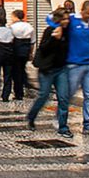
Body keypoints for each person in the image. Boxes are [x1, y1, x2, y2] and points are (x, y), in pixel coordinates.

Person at [49, 0, 89, 136]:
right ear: (82, 10)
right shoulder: (73, 20)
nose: (88, 16)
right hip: (74, 64)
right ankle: (60, 119)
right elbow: (50, 18)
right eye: (87, 13)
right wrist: (58, 27)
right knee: (68, 94)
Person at [26, 8, 72, 137]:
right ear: (58, 20)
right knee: (44, 95)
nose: (67, 21)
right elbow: (43, 49)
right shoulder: (50, 31)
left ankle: (63, 127)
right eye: (64, 19)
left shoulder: (68, 32)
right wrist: (54, 38)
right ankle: (31, 116)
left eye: (67, 19)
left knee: (63, 98)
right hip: (47, 70)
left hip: (61, 69)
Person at [9, 9, 34, 100]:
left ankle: (18, 92)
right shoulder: (29, 26)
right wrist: (31, 53)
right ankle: (25, 85)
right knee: (22, 68)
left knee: (15, 72)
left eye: (12, 16)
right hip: (25, 49)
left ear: (15, 17)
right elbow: (32, 42)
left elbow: (9, 39)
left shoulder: (12, 27)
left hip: (15, 50)